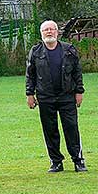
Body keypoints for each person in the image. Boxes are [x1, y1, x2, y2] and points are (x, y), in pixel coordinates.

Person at [26, 20, 88, 173]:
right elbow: (30, 74)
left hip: (67, 95)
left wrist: (79, 91)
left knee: (71, 128)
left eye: (51, 29)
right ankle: (56, 162)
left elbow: (77, 72)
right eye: (46, 30)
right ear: (41, 33)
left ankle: (78, 161)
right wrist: (29, 94)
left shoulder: (69, 50)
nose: (49, 32)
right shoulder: (36, 51)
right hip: (45, 96)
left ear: (57, 32)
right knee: (50, 130)